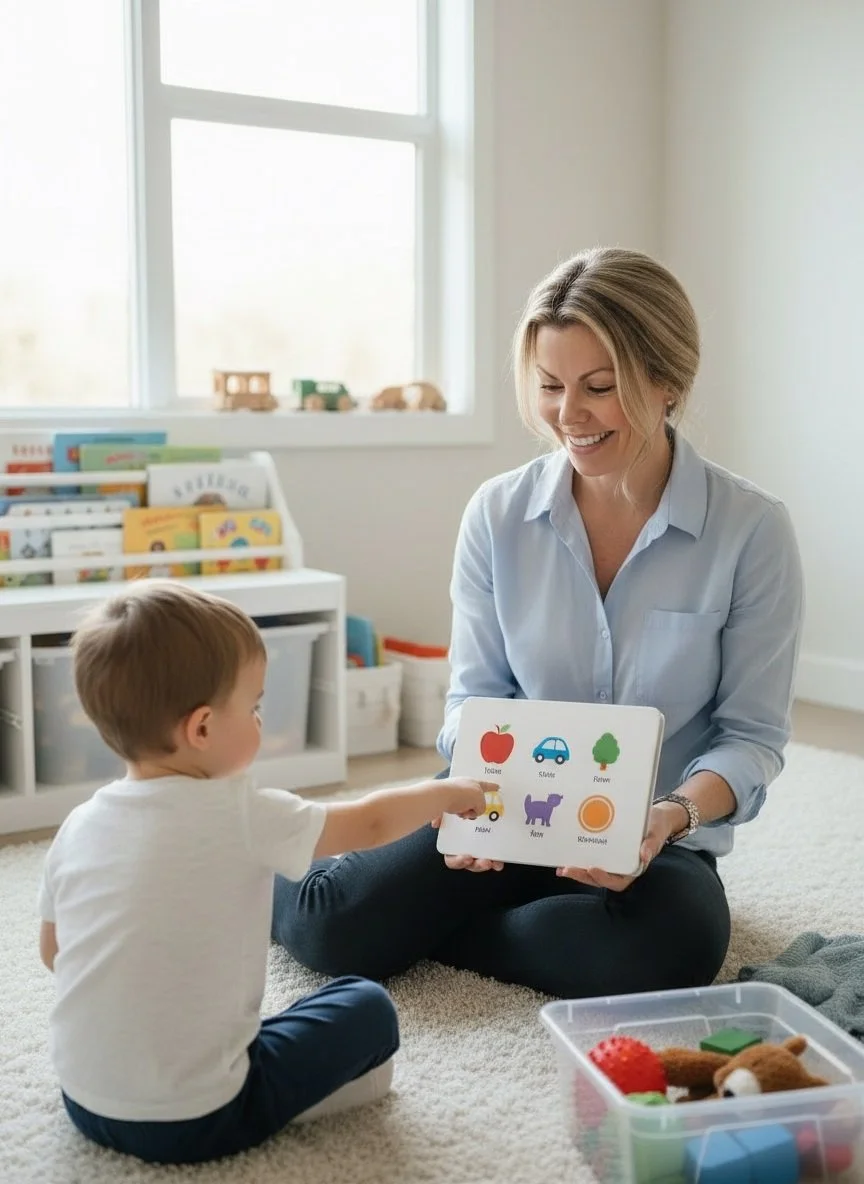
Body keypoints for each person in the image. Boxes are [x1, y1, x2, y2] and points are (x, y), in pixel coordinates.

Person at [271, 247, 804, 1000]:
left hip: (653, 841)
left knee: (672, 951)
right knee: (329, 926)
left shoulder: (751, 531)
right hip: (502, 803)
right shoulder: (498, 513)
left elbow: (750, 738)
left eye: (599, 387)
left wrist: (669, 816)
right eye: (550, 386)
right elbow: (474, 697)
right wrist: (479, 804)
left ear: (668, 384)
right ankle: (274, 859)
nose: (567, 415)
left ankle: (443, 931)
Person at [37, 581, 488, 1165]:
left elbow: (54, 953)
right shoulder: (243, 814)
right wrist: (447, 792)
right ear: (201, 728)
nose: (260, 719)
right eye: (253, 707)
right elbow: (371, 823)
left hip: (83, 1097)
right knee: (366, 1006)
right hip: (200, 1116)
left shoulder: (77, 826)